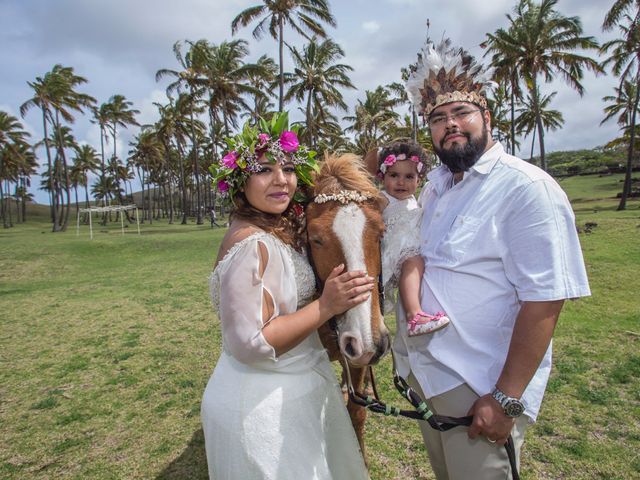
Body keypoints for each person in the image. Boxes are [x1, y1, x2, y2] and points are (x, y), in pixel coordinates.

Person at [394, 38, 592, 479]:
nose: (451, 126)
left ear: (486, 116)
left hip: (480, 385)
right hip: (434, 378)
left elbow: (545, 299)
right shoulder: (437, 187)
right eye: (438, 119)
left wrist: (505, 397)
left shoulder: (526, 188)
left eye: (461, 113)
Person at [201, 112, 371, 480]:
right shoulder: (252, 244)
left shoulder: (269, 229)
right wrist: (327, 305)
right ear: (240, 182)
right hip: (263, 408)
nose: (282, 180)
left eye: (289, 168)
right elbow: (251, 343)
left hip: (292, 393)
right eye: (264, 170)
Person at [375, 141, 450, 336]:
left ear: (419, 180)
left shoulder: (413, 201)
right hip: (395, 249)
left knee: (415, 265)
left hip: (409, 249)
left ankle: (414, 313)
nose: (401, 182)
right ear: (383, 177)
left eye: (409, 176)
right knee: (413, 263)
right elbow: (369, 217)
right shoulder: (382, 199)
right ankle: (414, 315)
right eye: (394, 175)